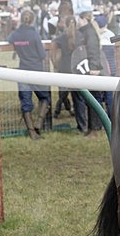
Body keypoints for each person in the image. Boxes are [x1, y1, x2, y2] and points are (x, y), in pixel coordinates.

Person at [7, 9, 50, 140]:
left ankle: (31, 132)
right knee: (45, 97)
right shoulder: (34, 34)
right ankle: (39, 123)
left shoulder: (15, 35)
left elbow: (9, 40)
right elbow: (42, 55)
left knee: (26, 103)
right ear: (33, 20)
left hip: (23, 71)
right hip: (36, 71)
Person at [71, 11, 105, 136]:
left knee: (94, 99)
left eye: (79, 19)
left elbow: (93, 49)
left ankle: (95, 128)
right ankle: (92, 127)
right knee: (92, 99)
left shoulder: (89, 32)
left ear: (84, 19)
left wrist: (94, 67)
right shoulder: (86, 31)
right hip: (86, 68)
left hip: (91, 69)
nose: (77, 22)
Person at [50, 15, 76, 120]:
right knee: (72, 93)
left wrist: (55, 65)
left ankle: (57, 110)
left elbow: (54, 51)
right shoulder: (79, 36)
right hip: (75, 68)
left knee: (63, 92)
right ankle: (70, 109)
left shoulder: (60, 38)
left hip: (64, 68)